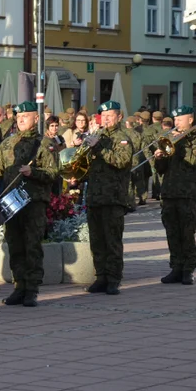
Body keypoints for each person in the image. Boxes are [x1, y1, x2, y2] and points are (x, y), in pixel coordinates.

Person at [0, 102, 59, 307]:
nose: (20, 120)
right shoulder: (8, 144)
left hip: (33, 202)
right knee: (15, 245)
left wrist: (33, 172)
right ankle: (19, 286)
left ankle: (32, 289)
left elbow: (53, 173)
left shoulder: (44, 144)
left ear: (36, 119)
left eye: (25, 116)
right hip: (11, 202)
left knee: (32, 245)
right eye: (18, 117)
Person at [80, 101, 133, 295]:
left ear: (119, 117)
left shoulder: (123, 138)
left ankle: (113, 279)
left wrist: (98, 147)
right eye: (104, 115)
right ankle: (100, 276)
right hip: (95, 196)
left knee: (112, 241)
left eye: (111, 115)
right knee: (97, 240)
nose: (107, 119)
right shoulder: (97, 136)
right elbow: (88, 166)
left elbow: (120, 161)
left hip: (113, 197)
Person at [155, 106, 196, 285]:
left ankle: (188, 269)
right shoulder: (170, 138)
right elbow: (161, 171)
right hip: (169, 192)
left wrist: (179, 145)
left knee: (187, 232)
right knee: (172, 232)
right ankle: (175, 267)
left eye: (180, 119)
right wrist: (159, 157)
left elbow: (193, 160)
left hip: (186, 194)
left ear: (190, 120)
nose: (176, 122)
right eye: (175, 119)